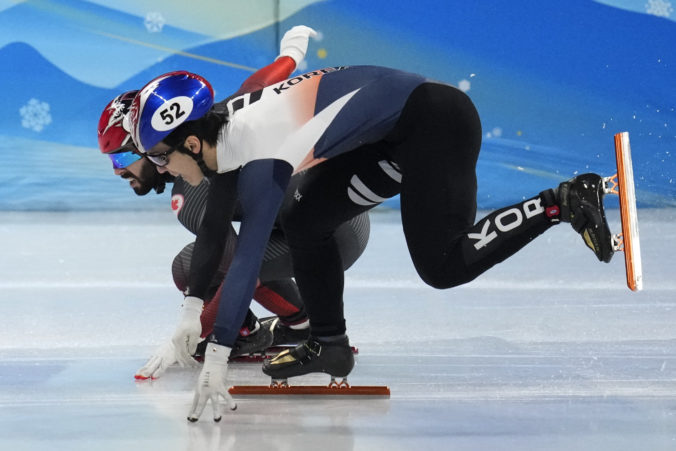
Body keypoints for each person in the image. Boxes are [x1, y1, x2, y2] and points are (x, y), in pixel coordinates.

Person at [128, 33, 614, 421]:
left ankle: (560, 202)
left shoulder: (260, 152)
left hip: (435, 124)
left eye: (158, 156)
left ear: (191, 144)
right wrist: (191, 311)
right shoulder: (221, 128)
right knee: (305, 219)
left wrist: (216, 355)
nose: (160, 168)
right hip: (387, 135)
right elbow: (215, 229)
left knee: (442, 265)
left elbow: (247, 257)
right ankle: (329, 343)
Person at [97, 26, 370, 380]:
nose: (119, 173)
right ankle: (297, 322)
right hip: (335, 214)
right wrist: (290, 54)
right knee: (208, 258)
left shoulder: (190, 191)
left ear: (146, 147)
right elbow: (256, 86)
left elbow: (242, 268)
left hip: (330, 232)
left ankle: (274, 330)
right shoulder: (214, 124)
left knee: (193, 265)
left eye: (120, 160)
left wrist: (203, 332)